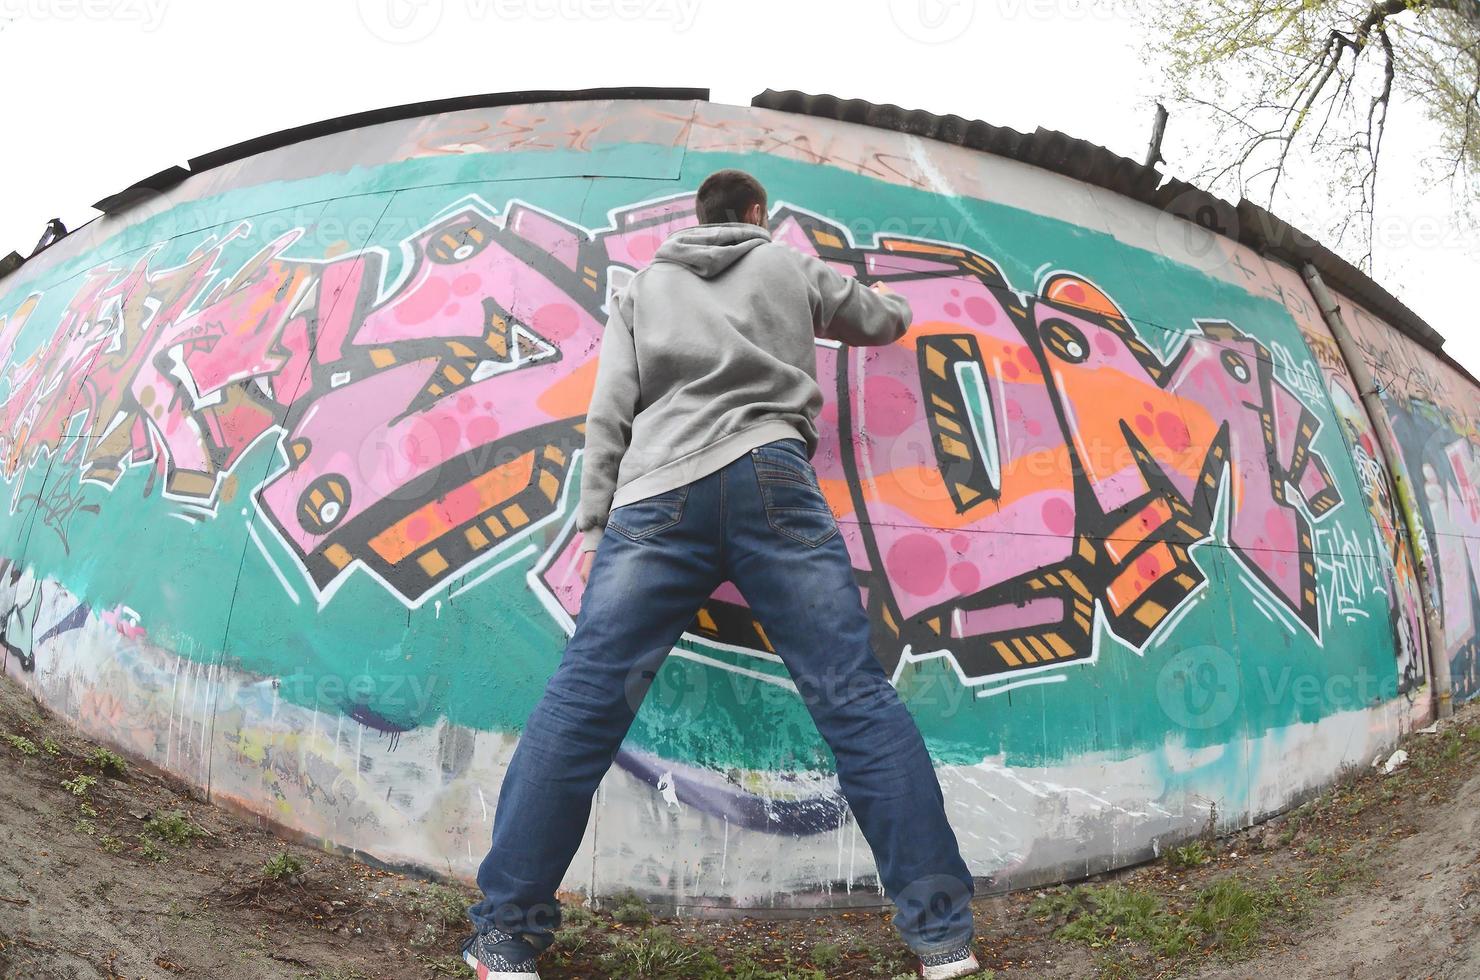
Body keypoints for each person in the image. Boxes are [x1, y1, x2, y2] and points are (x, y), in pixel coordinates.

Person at [463, 169, 980, 979]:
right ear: (754, 214)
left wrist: (597, 522)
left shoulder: (645, 286)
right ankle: (942, 937)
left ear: (696, 216)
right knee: (852, 696)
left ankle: (506, 938)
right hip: (773, 477)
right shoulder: (783, 263)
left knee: (584, 701)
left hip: (655, 492)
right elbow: (880, 319)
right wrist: (897, 301)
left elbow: (611, 412)